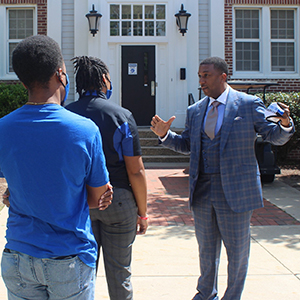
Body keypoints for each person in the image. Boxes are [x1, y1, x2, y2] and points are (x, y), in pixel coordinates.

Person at [150, 56, 294, 300]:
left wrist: (285, 123)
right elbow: (187, 145)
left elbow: (274, 137)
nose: (201, 80)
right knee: (206, 250)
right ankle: (206, 293)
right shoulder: (196, 110)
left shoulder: (248, 104)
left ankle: (232, 296)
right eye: (199, 75)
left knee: (237, 251)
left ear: (223, 76)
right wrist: (165, 136)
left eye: (206, 75)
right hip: (203, 189)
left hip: (236, 191)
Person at [0, 35, 112, 300]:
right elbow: (98, 198)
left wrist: (14, 194)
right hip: (69, 256)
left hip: (18, 254)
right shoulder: (84, 130)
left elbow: (10, 185)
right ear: (61, 74)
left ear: (22, 79)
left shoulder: (3, 128)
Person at [66, 56, 148, 300]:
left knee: (81, 273)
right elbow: (136, 170)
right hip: (119, 201)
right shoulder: (122, 116)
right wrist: (142, 212)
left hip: (79, 202)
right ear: (104, 80)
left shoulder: (66, 115)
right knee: (120, 273)